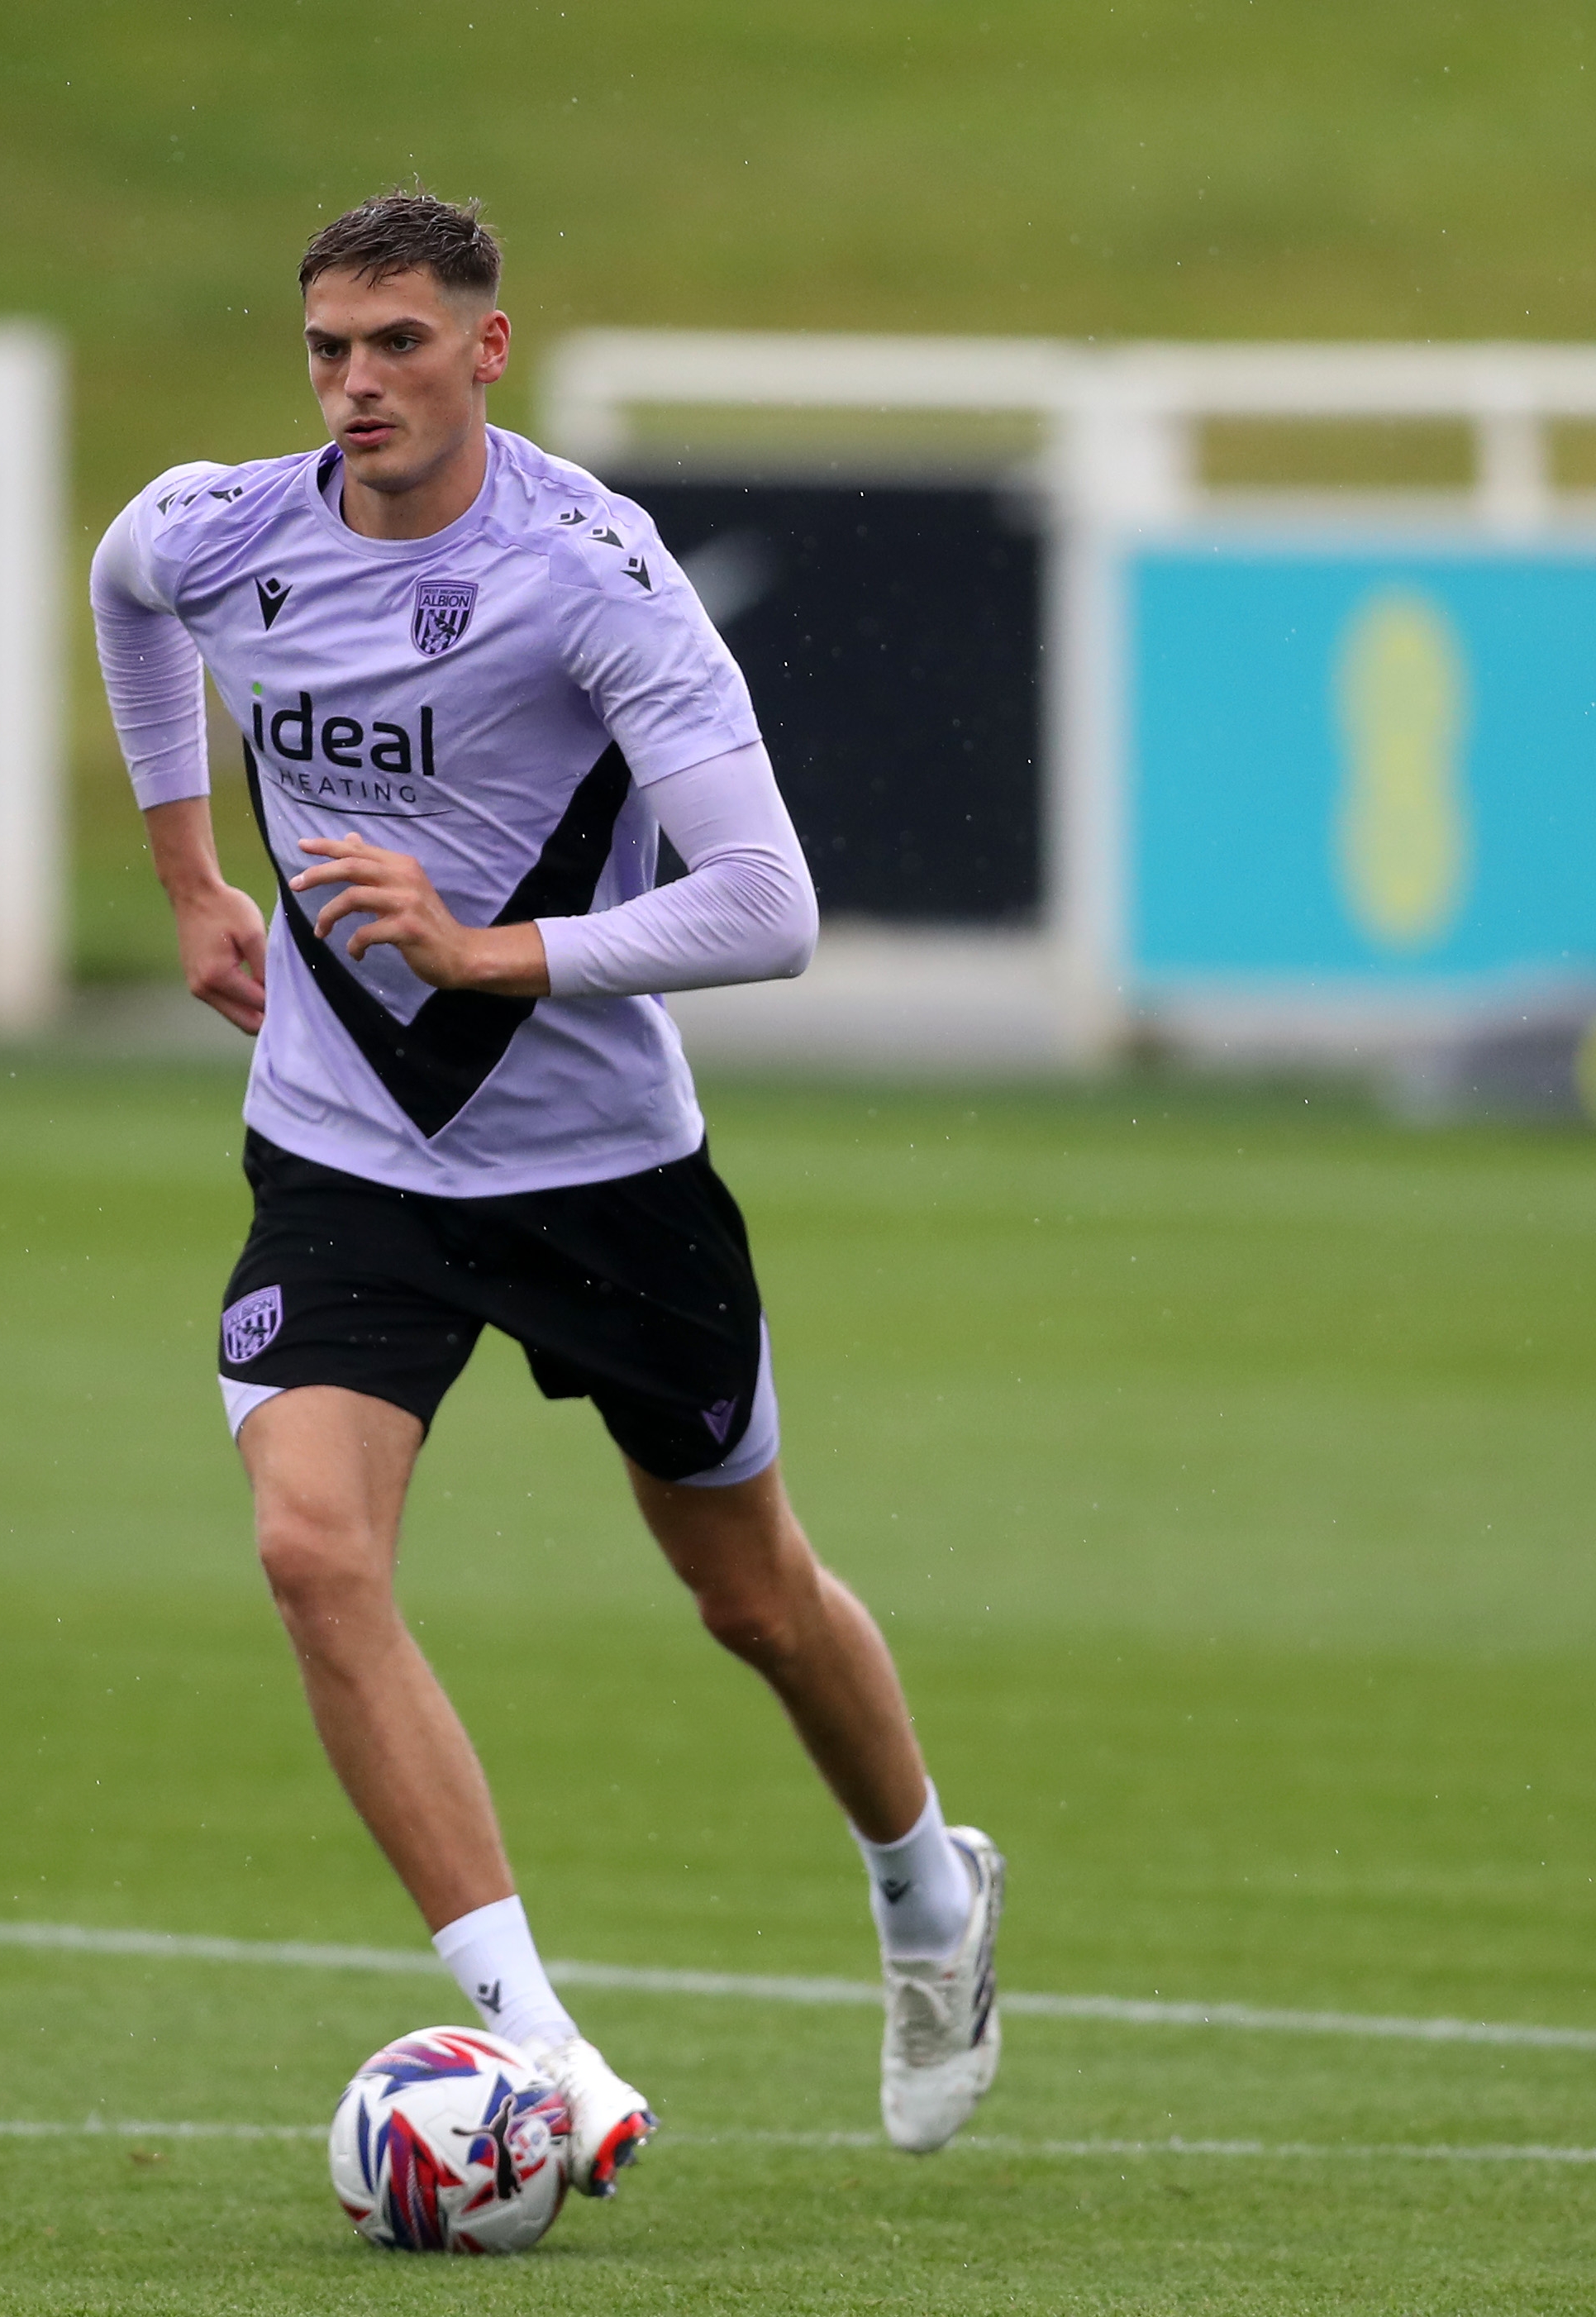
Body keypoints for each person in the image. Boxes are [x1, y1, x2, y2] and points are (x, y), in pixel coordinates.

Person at [88, 190, 1005, 2186]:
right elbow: (121, 591)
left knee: (748, 1593)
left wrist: (486, 950)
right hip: (342, 1154)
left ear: (484, 349)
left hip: (603, 1173)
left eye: (398, 343)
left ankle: (927, 1889)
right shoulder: (220, 527)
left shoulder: (589, 572)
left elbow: (770, 908)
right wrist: (184, 877)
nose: (355, 386)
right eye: (327, 347)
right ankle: (537, 2045)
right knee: (309, 1549)